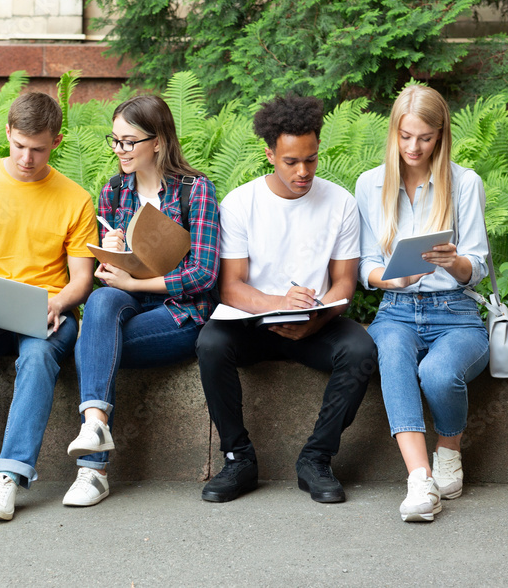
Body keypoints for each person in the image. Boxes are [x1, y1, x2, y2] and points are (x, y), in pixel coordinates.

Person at [196, 94, 378, 504]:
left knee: (361, 349)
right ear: (269, 155)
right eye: (291, 161)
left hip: (316, 324)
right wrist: (280, 304)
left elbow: (344, 283)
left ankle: (316, 459)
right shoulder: (241, 203)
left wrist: (314, 319)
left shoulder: (340, 203)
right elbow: (231, 287)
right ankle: (237, 458)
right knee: (210, 344)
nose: (303, 171)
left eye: (311, 160)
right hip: (252, 322)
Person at [0, 91, 98, 521]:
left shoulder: (75, 198)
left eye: (38, 149)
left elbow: (81, 278)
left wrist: (57, 302)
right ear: (8, 132)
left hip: (49, 309)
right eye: (20, 146)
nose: (27, 158)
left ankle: (8, 477)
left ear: (57, 142)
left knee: (39, 354)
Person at [63, 95, 220, 507]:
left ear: (158, 141)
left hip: (180, 314)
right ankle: (96, 426)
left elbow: (203, 274)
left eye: (129, 141)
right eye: (114, 141)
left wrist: (134, 285)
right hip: (126, 307)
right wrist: (110, 252)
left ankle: (92, 471)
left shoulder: (194, 191)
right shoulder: (113, 192)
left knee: (91, 346)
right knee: (100, 305)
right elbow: (109, 280)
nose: (120, 151)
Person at [355, 84, 489, 522]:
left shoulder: (465, 183)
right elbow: (367, 268)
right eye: (405, 136)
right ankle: (420, 480)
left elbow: (479, 267)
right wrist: (398, 275)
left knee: (437, 372)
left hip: (455, 311)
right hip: (395, 309)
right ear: (393, 131)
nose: (414, 147)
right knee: (392, 354)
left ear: (441, 135)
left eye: (425, 138)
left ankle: (449, 446)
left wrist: (454, 263)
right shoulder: (370, 184)